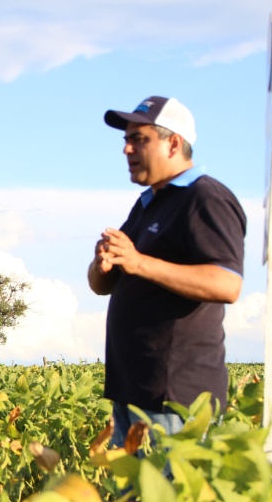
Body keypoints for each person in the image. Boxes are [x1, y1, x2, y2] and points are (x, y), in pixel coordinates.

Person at [88, 96, 246, 449]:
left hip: (175, 400)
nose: (127, 149)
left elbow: (227, 283)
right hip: (133, 393)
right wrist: (103, 264)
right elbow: (101, 286)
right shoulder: (149, 202)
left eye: (139, 139)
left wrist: (138, 261)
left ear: (173, 143)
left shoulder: (205, 198)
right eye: (126, 140)